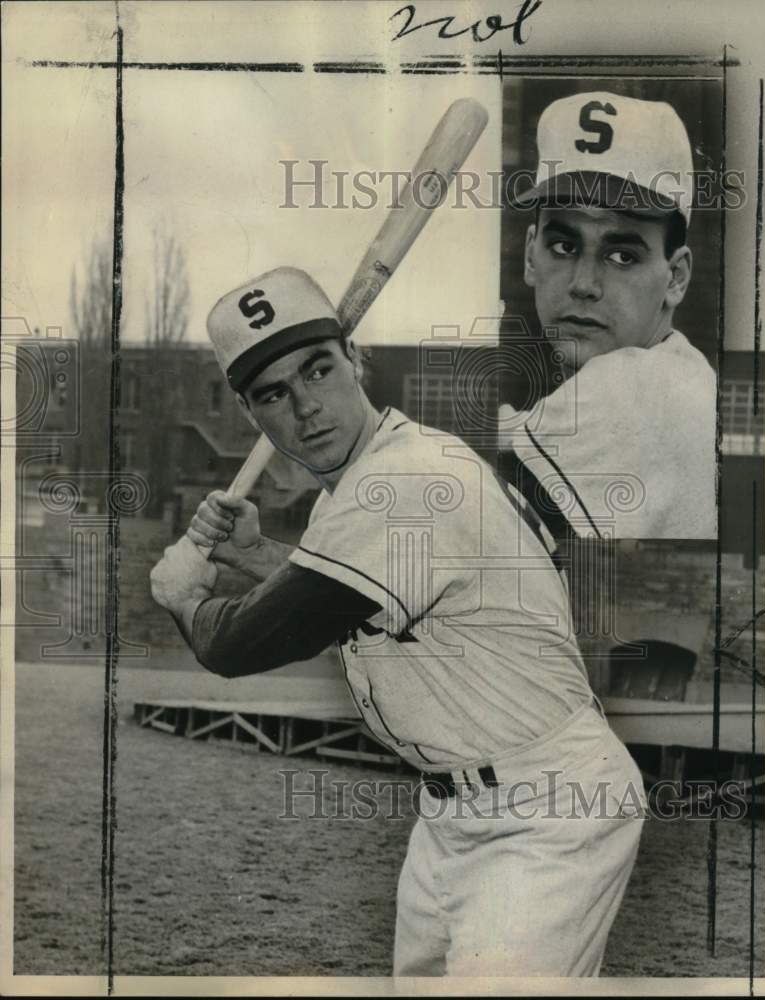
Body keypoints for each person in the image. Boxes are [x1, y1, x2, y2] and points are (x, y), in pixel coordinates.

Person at [150, 265, 647, 977]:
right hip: (452, 814)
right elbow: (373, 603)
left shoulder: (403, 481)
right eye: (275, 394)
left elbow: (239, 644)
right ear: (252, 415)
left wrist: (184, 596)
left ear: (356, 361)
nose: (306, 408)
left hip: (548, 812)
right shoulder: (365, 486)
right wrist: (257, 554)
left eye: (319, 370)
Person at [499, 91, 716, 540]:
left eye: (621, 256)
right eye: (564, 246)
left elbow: (461, 526)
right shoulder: (684, 375)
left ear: (676, 277)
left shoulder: (639, 386)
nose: (584, 283)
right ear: (530, 254)